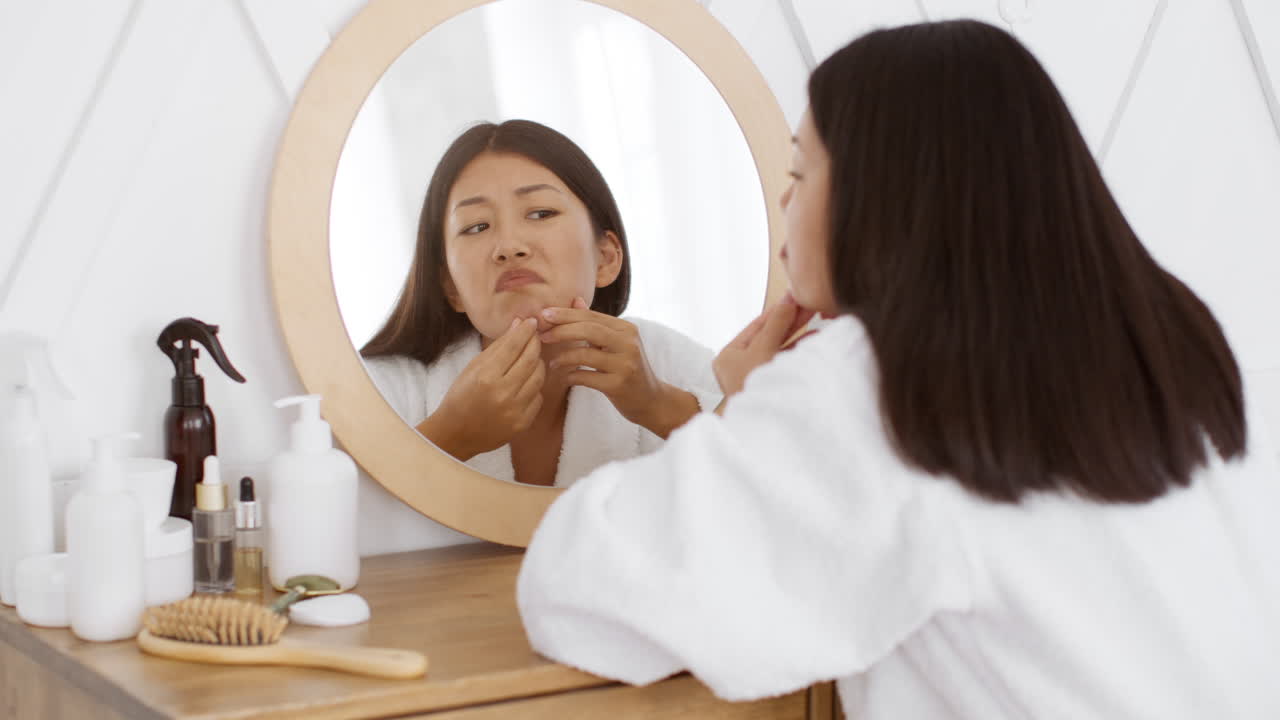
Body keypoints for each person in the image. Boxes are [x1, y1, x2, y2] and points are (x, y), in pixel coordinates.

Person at [516, 20, 1280, 718]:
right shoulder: (1159, 335)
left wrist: (753, 414)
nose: (784, 199)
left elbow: (580, 594)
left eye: (801, 171)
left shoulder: (878, 378)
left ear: (884, 190)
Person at [362, 120, 721, 488]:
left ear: (606, 257)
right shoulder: (383, 391)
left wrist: (657, 404)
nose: (509, 246)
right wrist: (450, 437)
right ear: (451, 287)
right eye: (476, 227)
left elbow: (766, 467)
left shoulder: (666, 363)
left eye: (541, 213)